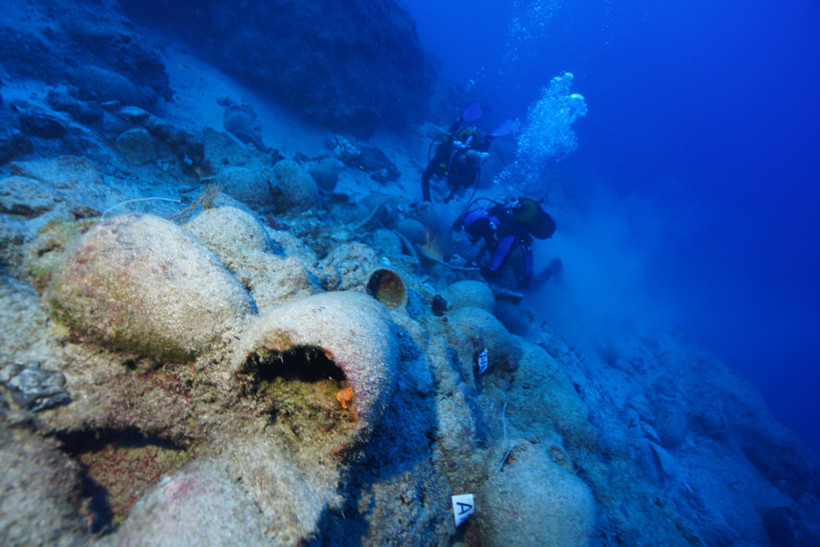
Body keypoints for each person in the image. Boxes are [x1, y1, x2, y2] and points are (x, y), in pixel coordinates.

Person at [450, 197, 562, 289]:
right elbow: (461, 220)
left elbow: (493, 272)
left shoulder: (508, 238)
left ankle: (553, 267)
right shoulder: (482, 214)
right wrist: (453, 234)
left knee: (528, 287)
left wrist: (464, 265)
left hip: (517, 254)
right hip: (500, 245)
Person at [421, 103, 494, 203]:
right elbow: (425, 177)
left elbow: (481, 159)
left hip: (454, 173)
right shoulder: (445, 153)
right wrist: (427, 201)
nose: (463, 162)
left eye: (465, 162)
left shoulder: (471, 167)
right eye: (462, 161)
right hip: (445, 165)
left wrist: (487, 142)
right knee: (444, 145)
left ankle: (449, 193)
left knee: (460, 186)